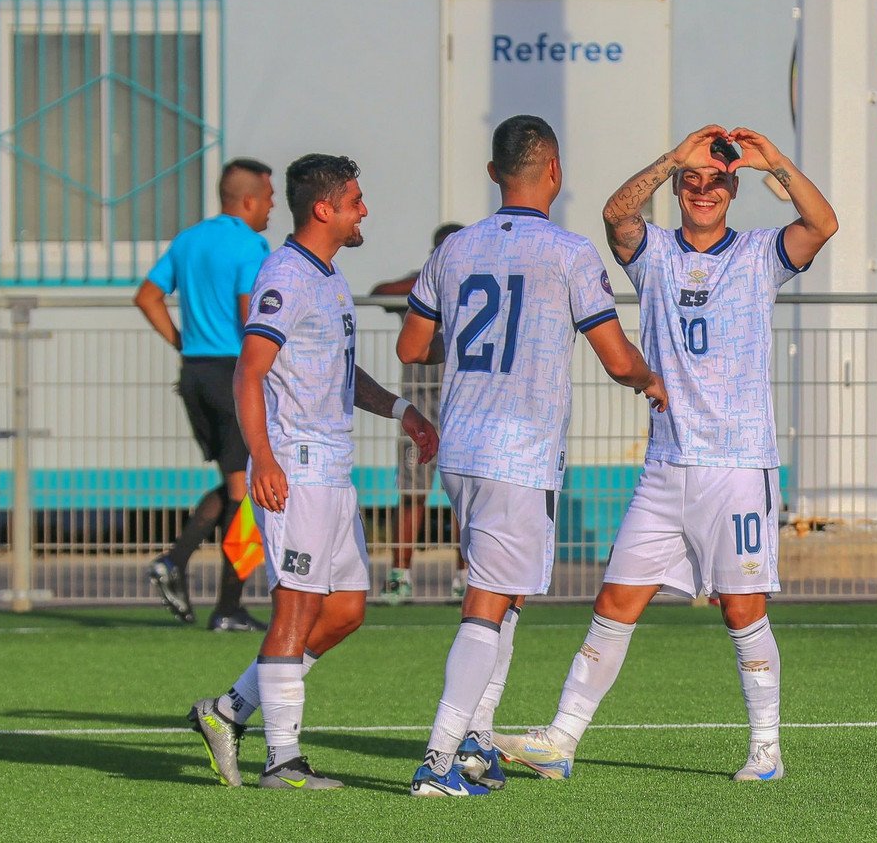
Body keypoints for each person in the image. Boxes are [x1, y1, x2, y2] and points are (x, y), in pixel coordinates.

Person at [492, 125, 838, 782]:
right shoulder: (652, 253)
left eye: (715, 181)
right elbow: (616, 215)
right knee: (615, 599)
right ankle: (562, 738)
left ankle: (766, 749)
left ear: (733, 190)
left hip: (737, 466)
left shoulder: (762, 252)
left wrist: (776, 163)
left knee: (743, 608)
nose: (703, 190)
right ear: (680, 188)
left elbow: (822, 223)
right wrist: (672, 157)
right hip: (666, 466)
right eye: (693, 181)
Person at [397, 115, 667, 797]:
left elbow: (410, 347)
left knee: (505, 594)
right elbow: (613, 356)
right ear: (555, 171)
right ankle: (437, 757)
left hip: (460, 440)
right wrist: (649, 378)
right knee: (487, 600)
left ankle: (478, 740)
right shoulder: (570, 252)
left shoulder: (454, 249)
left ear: (494, 174)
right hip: (517, 450)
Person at [187, 153, 439, 789]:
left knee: (347, 611)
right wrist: (264, 459)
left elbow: (339, 371)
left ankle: (227, 712)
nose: (364, 211)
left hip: (334, 469)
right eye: (356, 199)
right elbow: (250, 369)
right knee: (294, 613)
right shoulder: (287, 276)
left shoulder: (326, 275)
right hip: (296, 468)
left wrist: (402, 409)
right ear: (324, 209)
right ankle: (283, 760)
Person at [134, 158, 275, 631]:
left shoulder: (189, 239)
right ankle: (224, 604)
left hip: (195, 373)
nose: (273, 207)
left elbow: (147, 297)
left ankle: (177, 564)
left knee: (236, 483)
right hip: (234, 373)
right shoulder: (249, 245)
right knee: (248, 491)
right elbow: (251, 313)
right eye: (270, 198)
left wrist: (181, 341)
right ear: (250, 200)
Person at [371, 223, 468, 603]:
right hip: (420, 408)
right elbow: (379, 292)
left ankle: (465, 576)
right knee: (411, 492)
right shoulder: (423, 286)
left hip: (462, 404)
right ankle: (399, 576)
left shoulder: (476, 284)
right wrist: (426, 283)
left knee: (465, 493)